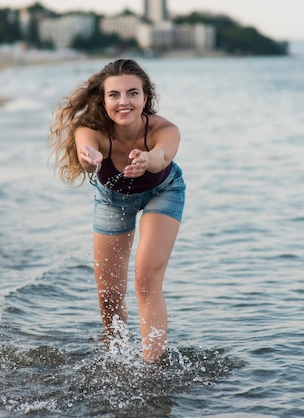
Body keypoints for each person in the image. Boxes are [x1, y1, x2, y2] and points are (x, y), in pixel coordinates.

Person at [49, 59, 186, 363]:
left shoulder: (165, 129)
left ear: (145, 98)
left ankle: (152, 365)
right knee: (109, 294)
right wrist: (89, 155)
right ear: (103, 100)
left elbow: (162, 157)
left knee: (145, 279)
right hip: (112, 199)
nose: (124, 102)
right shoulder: (91, 130)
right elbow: (85, 156)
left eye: (132, 93)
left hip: (163, 192)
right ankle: (117, 354)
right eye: (114, 95)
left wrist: (145, 160)